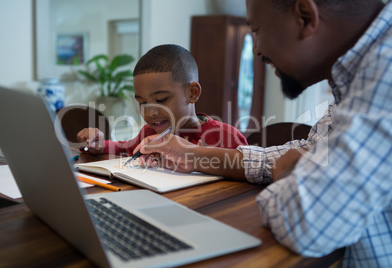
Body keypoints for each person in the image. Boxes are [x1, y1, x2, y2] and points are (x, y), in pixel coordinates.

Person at [134, 0, 392, 267]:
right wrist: (193, 154)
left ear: (305, 17)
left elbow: (305, 223)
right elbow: (303, 152)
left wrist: (288, 174)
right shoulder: (359, 79)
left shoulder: (386, 75)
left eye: (256, 31)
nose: (256, 50)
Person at [77, 44, 248, 156]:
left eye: (161, 99)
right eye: (142, 102)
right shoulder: (149, 134)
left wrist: (207, 158)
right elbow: (125, 148)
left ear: (192, 93)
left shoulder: (226, 137)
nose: (150, 112)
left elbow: (247, 172)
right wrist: (100, 145)